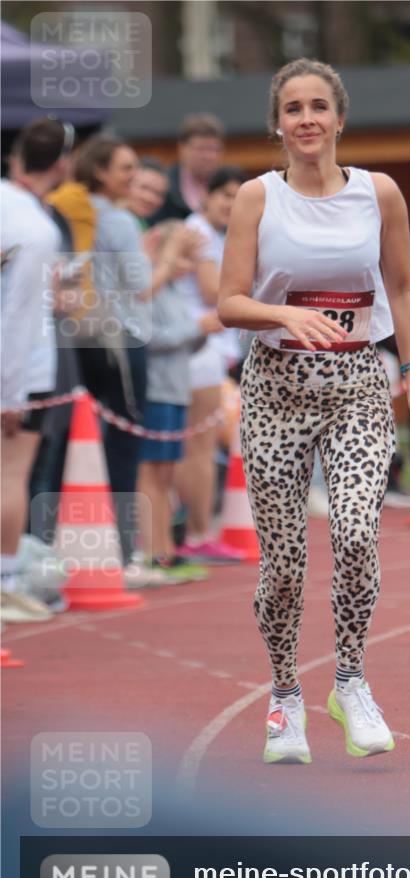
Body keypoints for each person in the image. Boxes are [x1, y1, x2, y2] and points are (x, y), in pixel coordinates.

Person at [219, 58, 410, 764]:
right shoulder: (256, 197)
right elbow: (229, 302)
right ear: (277, 124)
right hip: (275, 388)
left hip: (356, 385)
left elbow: (403, 288)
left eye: (319, 106)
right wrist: (282, 313)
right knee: (284, 563)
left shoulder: (379, 193)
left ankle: (350, 681)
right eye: (293, 108)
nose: (307, 119)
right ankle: (285, 695)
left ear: (340, 118)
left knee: (354, 534)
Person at [71, 136, 156, 588]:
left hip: (80, 336)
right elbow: (142, 286)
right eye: (125, 168)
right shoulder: (119, 220)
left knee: (78, 444)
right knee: (123, 444)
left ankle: (75, 545)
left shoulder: (74, 213)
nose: (133, 176)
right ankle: (121, 551)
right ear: (100, 171)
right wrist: (168, 256)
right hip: (121, 337)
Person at [1, 117, 72, 623]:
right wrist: (10, 393)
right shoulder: (34, 225)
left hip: (19, 363)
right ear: (62, 164)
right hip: (20, 369)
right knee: (11, 474)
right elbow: (18, 314)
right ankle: (6, 583)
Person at [136, 221, 223, 583]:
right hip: (156, 390)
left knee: (166, 474)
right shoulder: (151, 289)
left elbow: (184, 340)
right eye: (183, 257)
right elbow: (150, 338)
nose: (189, 266)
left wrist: (203, 331)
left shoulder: (171, 291)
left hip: (175, 389)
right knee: (151, 473)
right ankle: (151, 552)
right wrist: (197, 328)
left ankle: (165, 550)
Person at [173, 166, 248, 564]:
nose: (232, 205)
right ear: (208, 196)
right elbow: (210, 291)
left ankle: (194, 532)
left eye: (238, 198)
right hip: (198, 347)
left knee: (199, 446)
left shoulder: (213, 233)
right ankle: (197, 535)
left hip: (205, 348)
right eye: (226, 196)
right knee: (198, 447)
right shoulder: (199, 231)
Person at [148, 114, 224, 225]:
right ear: (182, 148)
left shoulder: (228, 187)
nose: (207, 156)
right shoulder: (164, 186)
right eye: (201, 149)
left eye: (213, 149)